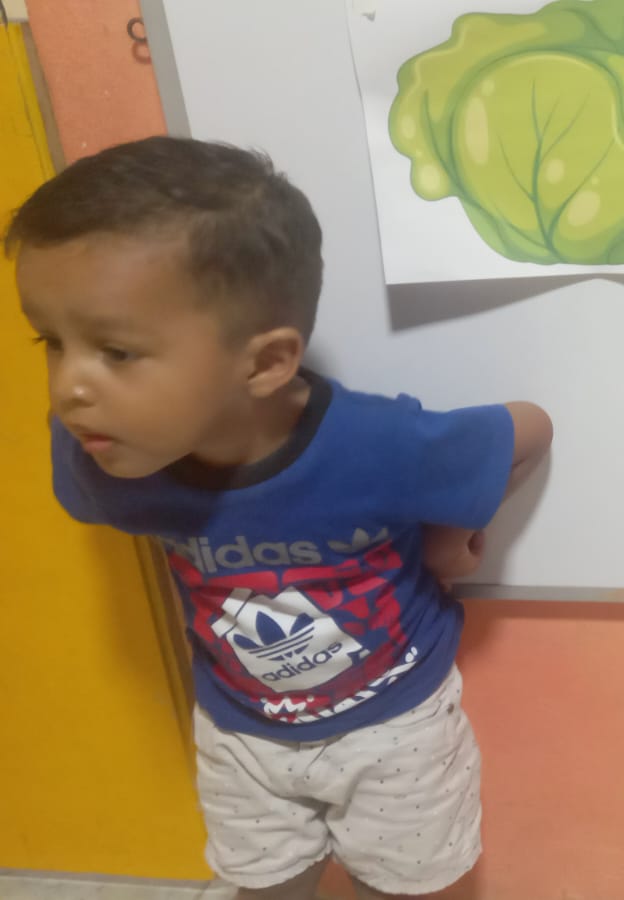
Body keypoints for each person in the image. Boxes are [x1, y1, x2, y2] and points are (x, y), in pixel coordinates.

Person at [8, 136, 553, 899]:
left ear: (265, 363)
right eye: (51, 342)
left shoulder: (378, 445)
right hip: (239, 732)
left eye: (117, 352)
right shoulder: (101, 463)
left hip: (394, 730)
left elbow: (529, 427)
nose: (69, 388)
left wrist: (446, 534)